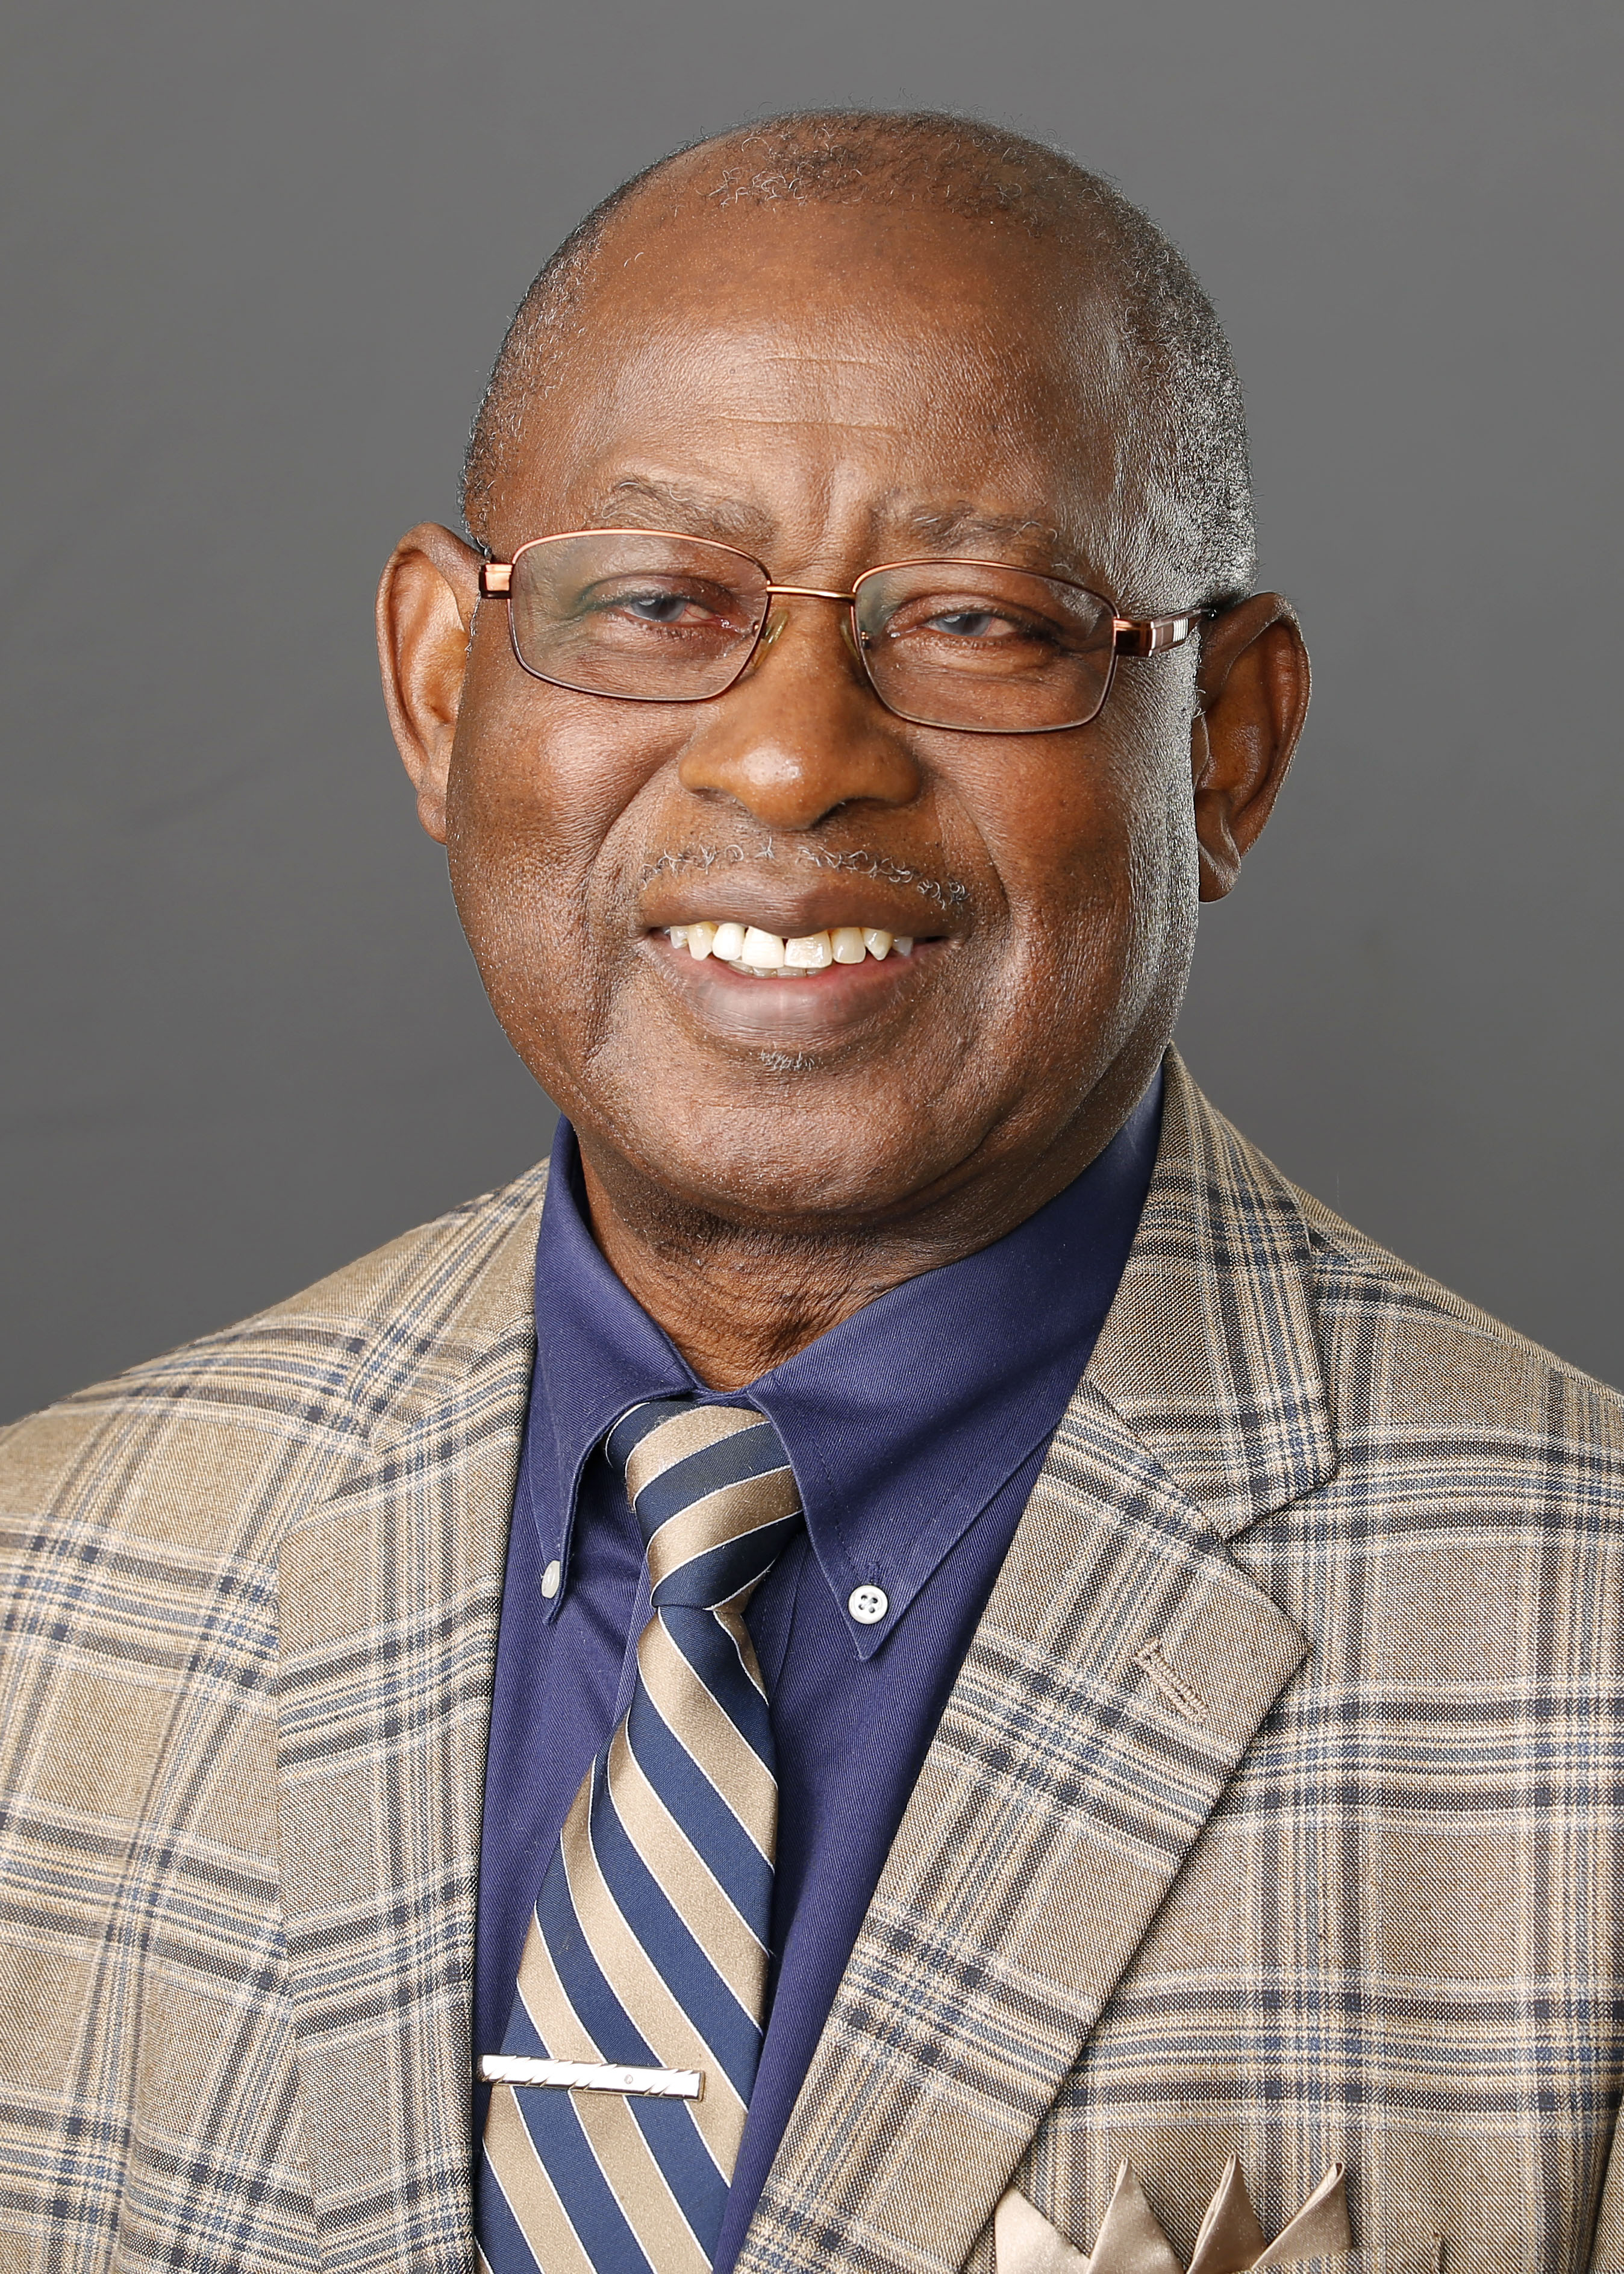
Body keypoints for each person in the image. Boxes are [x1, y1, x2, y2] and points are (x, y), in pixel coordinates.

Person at [0, 107, 1620, 2274]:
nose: (788, 754)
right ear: (438, 683)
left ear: (1225, 744)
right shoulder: (45, 1595)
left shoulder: (1584, 1685)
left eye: (977, 620)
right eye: (660, 602)